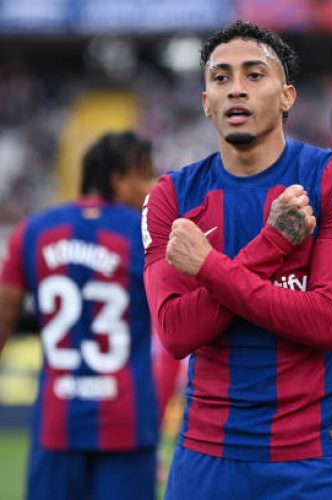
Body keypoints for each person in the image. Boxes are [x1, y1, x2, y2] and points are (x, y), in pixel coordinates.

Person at [142, 21, 332, 499]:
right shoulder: (172, 194)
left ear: (287, 96)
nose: (236, 90)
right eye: (221, 78)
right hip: (207, 456)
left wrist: (207, 267)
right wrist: (273, 245)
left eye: (254, 75)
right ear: (206, 102)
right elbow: (176, 332)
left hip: (316, 459)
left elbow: (328, 322)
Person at [0, 131, 171, 500]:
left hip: (55, 424)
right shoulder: (146, 236)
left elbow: (3, 319)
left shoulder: (31, 232)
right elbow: (172, 336)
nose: (155, 187)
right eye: (147, 175)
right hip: (128, 425)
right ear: (117, 179)